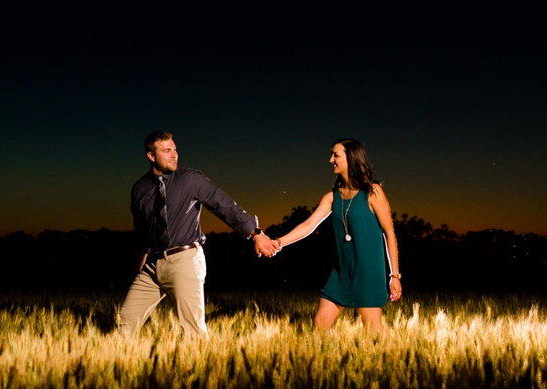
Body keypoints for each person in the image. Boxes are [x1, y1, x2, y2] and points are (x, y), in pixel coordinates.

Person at [119, 131, 280, 338]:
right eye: (167, 151)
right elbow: (141, 232)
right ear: (151, 156)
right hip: (152, 267)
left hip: (184, 260)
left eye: (175, 149)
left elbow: (224, 205)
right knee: (125, 320)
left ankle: (202, 366)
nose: (174, 155)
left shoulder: (190, 179)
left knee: (193, 331)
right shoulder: (140, 189)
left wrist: (256, 233)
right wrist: (138, 269)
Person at [273, 139, 403, 332]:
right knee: (320, 323)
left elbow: (389, 233)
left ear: (350, 158)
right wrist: (278, 242)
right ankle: (332, 360)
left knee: (373, 333)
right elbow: (309, 225)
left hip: (368, 271)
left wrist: (395, 275)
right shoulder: (332, 197)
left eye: (335, 155)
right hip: (341, 270)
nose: (330, 159)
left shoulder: (372, 192)